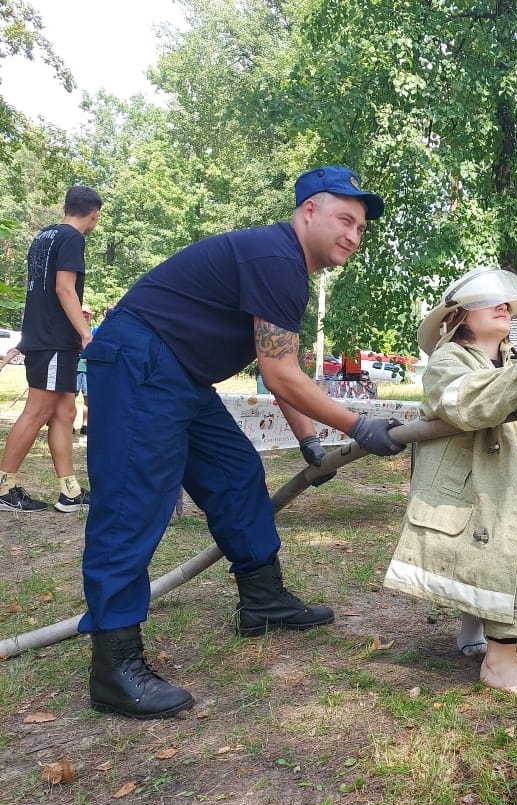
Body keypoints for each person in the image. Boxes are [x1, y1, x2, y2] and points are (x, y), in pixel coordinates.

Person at [79, 165, 407, 720]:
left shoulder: (282, 263)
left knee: (235, 474)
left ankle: (264, 602)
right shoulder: (279, 259)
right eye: (345, 219)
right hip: (141, 360)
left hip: (179, 374)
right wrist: (357, 426)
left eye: (361, 227)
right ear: (308, 211)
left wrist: (310, 445)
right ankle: (114, 665)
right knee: (134, 505)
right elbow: (281, 375)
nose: (354, 234)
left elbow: (281, 364)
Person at [383, 267, 517, 697]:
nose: (505, 306)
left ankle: (480, 618)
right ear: (457, 316)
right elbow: (471, 404)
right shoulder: (446, 363)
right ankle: (500, 662)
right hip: (475, 499)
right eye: (490, 300)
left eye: (508, 301)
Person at [0, 185, 102, 513]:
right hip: (54, 339)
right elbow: (64, 288)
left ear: (65, 207)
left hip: (46, 337)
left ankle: (69, 492)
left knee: (65, 412)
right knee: (38, 410)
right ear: (94, 215)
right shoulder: (73, 238)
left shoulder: (44, 236)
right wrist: (86, 333)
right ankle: (4, 486)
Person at [75, 304, 93, 435]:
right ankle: (69, 424)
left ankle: (85, 425)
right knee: (70, 397)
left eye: (87, 315)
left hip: (88, 370)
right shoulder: (73, 331)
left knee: (88, 399)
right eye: (82, 315)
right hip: (74, 369)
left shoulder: (94, 331)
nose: (85, 317)